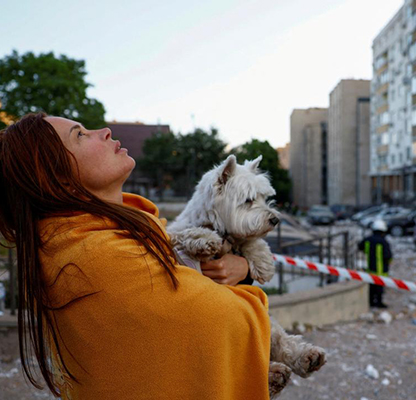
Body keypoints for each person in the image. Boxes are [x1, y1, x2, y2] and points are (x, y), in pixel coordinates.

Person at [0, 113, 270, 399]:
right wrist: (246, 280)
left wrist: (242, 268)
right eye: (80, 135)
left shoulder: (93, 238)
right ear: (57, 180)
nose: (104, 130)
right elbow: (228, 319)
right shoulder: (97, 258)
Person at [358, 219, 392, 308]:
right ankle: (379, 303)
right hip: (381, 270)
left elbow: (360, 247)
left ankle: (371, 302)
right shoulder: (384, 242)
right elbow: (388, 256)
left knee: (371, 286)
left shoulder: (368, 239)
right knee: (379, 287)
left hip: (370, 268)